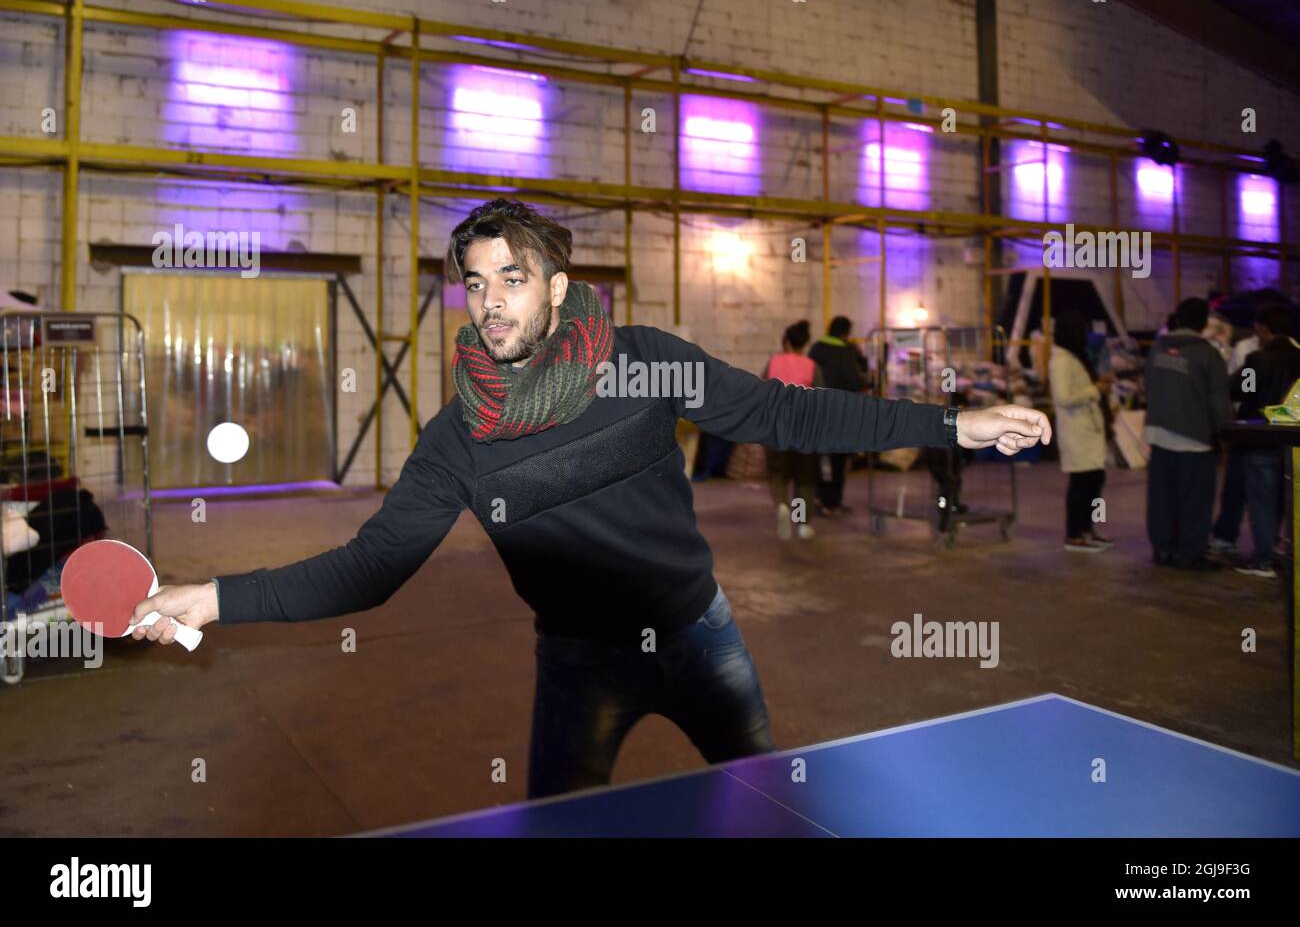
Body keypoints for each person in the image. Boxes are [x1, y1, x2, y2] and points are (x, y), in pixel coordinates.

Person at [125, 198, 1053, 800]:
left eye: (513, 279)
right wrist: (213, 598)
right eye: (477, 284)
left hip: (704, 637)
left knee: (775, 812)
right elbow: (372, 569)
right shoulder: (457, 440)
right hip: (578, 668)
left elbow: (783, 412)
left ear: (559, 289)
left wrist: (950, 425)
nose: (491, 303)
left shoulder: (644, 362)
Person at [1144, 297, 1232, 571]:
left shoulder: (1157, 349)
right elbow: (1219, 400)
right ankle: (1190, 552)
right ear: (1204, 322)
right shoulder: (1208, 354)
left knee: (1161, 496)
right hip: (1194, 435)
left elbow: (1147, 385)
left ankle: (1162, 548)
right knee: (1195, 498)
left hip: (1158, 433)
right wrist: (1223, 432)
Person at [1232, 303, 1300, 578]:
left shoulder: (1257, 360)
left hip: (1262, 439)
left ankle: (1263, 559)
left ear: (1264, 329)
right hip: (1294, 441)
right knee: (1286, 501)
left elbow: (1242, 391)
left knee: (1261, 501)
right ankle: (1284, 552)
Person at [1049, 311, 1111, 553]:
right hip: (1077, 431)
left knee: (1095, 480)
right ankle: (1074, 533)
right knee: (1081, 484)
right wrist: (1095, 390)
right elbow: (1064, 397)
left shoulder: (1075, 357)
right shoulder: (1062, 361)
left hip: (1088, 429)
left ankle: (1089, 528)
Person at [1210, 310, 1265, 556]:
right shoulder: (1245, 348)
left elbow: (1241, 388)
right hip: (1263, 427)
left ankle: (1233, 537)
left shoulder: (1250, 354)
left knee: (1240, 484)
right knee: (1254, 488)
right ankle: (1262, 542)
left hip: (1251, 425)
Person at [763, 320, 823, 540]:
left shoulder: (773, 363)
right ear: (804, 343)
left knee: (778, 473)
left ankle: (781, 505)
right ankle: (802, 524)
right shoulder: (811, 366)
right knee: (804, 478)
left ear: (786, 342)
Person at [807, 316, 868, 515]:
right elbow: (855, 381)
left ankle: (818, 496)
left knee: (819, 457)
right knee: (839, 460)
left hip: (816, 410)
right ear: (845, 332)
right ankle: (832, 501)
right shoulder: (848, 351)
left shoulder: (816, 348)